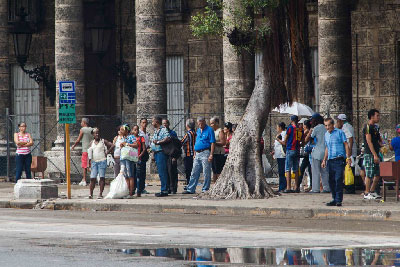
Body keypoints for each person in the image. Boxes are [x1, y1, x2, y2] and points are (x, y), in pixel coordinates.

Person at [321, 118, 351, 206]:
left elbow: (346, 144)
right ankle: (334, 198)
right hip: (330, 160)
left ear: (332, 125)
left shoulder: (340, 132)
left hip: (339, 159)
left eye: (328, 125)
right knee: (331, 181)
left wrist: (348, 157)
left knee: (338, 179)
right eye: (325, 126)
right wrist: (324, 160)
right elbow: (327, 148)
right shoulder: (326, 135)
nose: (327, 127)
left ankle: (338, 199)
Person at [183, 117, 215, 194]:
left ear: (204, 122)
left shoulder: (209, 130)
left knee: (206, 172)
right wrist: (194, 153)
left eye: (201, 122)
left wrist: (211, 154)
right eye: (199, 123)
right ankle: (191, 188)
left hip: (205, 152)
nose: (200, 124)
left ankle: (205, 189)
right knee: (194, 171)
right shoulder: (198, 130)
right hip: (197, 153)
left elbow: (212, 142)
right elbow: (196, 142)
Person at [87, 128, 114, 199]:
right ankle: (91, 194)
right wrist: (88, 163)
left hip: (102, 161)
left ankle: (100, 194)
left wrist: (107, 152)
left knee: (102, 177)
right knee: (92, 178)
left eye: (98, 133)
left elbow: (112, 145)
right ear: (93, 134)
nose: (97, 134)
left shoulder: (103, 141)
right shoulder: (91, 143)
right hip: (94, 162)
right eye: (95, 133)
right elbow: (89, 153)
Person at [363, 109, 383, 200]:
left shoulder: (375, 128)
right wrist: (374, 154)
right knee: (369, 173)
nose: (378, 117)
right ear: (372, 116)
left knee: (378, 173)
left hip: (377, 152)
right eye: (377, 116)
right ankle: (366, 192)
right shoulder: (367, 127)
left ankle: (372, 190)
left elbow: (378, 140)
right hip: (370, 153)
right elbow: (369, 141)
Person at [307, 113, 330, 193]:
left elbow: (311, 138)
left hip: (317, 152)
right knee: (324, 171)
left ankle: (315, 189)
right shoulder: (326, 128)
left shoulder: (316, 128)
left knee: (316, 171)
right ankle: (326, 188)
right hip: (325, 152)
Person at [280, 115, 303, 193]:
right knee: (296, 169)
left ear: (291, 120)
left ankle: (288, 187)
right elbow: (302, 141)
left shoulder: (290, 128)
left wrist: (280, 140)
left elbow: (285, 140)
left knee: (288, 168)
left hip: (290, 149)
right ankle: (296, 187)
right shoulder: (300, 128)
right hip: (297, 149)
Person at [336, 114, 357, 194]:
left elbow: (350, 138)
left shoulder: (345, 127)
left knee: (349, 169)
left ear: (341, 121)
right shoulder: (349, 126)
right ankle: (350, 187)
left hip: (350, 151)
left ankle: (350, 188)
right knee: (350, 169)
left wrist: (349, 151)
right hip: (351, 151)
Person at [151, 116, 171, 197]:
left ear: (156, 122)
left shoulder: (163, 129)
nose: (152, 123)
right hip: (156, 152)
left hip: (161, 152)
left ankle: (164, 190)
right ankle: (164, 188)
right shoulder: (156, 131)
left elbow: (168, 138)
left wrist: (159, 142)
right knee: (160, 172)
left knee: (163, 172)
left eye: (153, 121)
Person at [72, 118, 93, 186]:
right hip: (91, 149)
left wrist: (73, 146)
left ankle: (84, 179)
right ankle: (93, 177)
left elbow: (78, 139)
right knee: (90, 164)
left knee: (84, 166)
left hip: (85, 149)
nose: (81, 123)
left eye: (81, 122)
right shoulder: (92, 129)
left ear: (84, 122)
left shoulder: (83, 130)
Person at [121, 125, 141, 198]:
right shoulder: (122, 138)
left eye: (122, 130)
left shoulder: (131, 137)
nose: (121, 131)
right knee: (125, 175)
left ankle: (131, 192)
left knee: (130, 175)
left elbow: (136, 145)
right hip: (123, 158)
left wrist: (127, 144)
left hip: (129, 158)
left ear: (126, 131)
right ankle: (127, 191)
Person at [128, 125, 146, 197]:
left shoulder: (141, 138)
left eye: (137, 130)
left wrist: (140, 156)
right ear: (132, 130)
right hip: (131, 158)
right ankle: (132, 190)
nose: (136, 131)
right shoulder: (130, 138)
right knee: (132, 175)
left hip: (138, 158)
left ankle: (139, 190)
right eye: (135, 130)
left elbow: (144, 148)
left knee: (138, 175)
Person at [162, 118, 179, 194]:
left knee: (172, 172)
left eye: (166, 123)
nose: (165, 125)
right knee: (166, 172)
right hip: (164, 155)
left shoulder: (173, 133)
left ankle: (173, 188)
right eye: (163, 124)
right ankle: (167, 187)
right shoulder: (161, 133)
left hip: (172, 155)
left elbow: (176, 145)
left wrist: (175, 156)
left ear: (168, 124)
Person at [210, 117, 226, 182]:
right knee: (214, 171)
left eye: (212, 123)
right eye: (210, 124)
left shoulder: (220, 131)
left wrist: (214, 143)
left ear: (216, 123)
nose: (211, 125)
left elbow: (223, 142)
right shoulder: (212, 131)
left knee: (218, 171)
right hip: (213, 153)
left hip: (219, 154)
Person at [298, 119, 313, 191]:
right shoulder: (308, 131)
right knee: (305, 169)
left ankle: (310, 185)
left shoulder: (308, 131)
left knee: (306, 169)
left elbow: (304, 140)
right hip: (307, 153)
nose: (302, 126)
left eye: (303, 125)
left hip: (308, 153)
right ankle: (299, 185)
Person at [181, 119, 196, 186]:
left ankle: (189, 184)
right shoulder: (195, 133)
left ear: (187, 125)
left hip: (189, 154)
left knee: (188, 170)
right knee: (193, 171)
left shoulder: (188, 134)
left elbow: (181, 142)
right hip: (195, 154)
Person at [273, 122, 286, 192]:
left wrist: (278, 139)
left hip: (281, 155)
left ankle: (282, 187)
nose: (277, 128)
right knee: (280, 171)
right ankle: (281, 186)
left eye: (277, 127)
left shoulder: (283, 134)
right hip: (278, 155)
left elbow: (283, 142)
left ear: (280, 127)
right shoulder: (279, 134)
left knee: (282, 171)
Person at [139, 118, 150, 194]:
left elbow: (147, 144)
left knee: (143, 171)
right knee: (139, 172)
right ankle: (139, 188)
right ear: (140, 123)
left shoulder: (147, 133)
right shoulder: (139, 133)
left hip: (145, 152)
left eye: (145, 122)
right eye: (143, 122)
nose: (144, 124)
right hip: (140, 152)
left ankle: (142, 187)